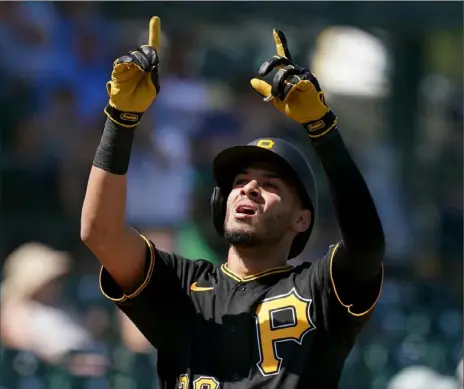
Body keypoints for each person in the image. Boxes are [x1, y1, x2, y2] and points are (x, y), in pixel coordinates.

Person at [81, 17, 385, 389]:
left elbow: (367, 246)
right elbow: (100, 233)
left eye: (271, 184)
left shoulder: (318, 287)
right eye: (240, 181)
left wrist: (323, 130)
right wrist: (121, 121)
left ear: (302, 219)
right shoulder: (183, 284)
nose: (249, 189)